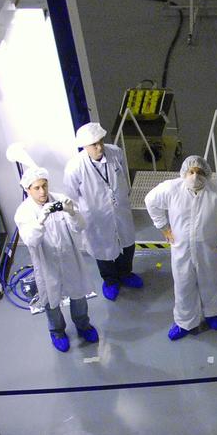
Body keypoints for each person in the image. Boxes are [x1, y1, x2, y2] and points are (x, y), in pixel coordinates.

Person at [144, 155, 217, 341]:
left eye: (200, 172)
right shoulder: (171, 189)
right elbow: (150, 201)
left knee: (212, 282)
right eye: (191, 172)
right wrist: (164, 228)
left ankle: (212, 314)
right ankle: (184, 322)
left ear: (207, 175)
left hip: (211, 249)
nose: (195, 176)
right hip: (181, 250)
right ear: (184, 173)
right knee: (183, 285)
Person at [14, 167, 100, 352]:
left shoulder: (61, 199)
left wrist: (72, 212)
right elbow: (31, 240)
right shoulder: (24, 212)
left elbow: (80, 227)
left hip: (69, 258)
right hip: (47, 264)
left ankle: (83, 325)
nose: (42, 191)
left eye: (44, 185)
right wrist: (41, 220)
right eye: (36, 188)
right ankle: (57, 331)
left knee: (78, 294)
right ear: (27, 190)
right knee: (50, 299)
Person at [63, 122, 141, 301]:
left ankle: (126, 274)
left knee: (127, 243)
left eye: (101, 142)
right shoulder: (74, 167)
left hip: (120, 211)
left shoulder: (115, 152)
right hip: (96, 218)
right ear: (84, 146)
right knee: (102, 248)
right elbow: (71, 196)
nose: (99, 147)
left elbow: (121, 174)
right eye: (94, 145)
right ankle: (110, 280)